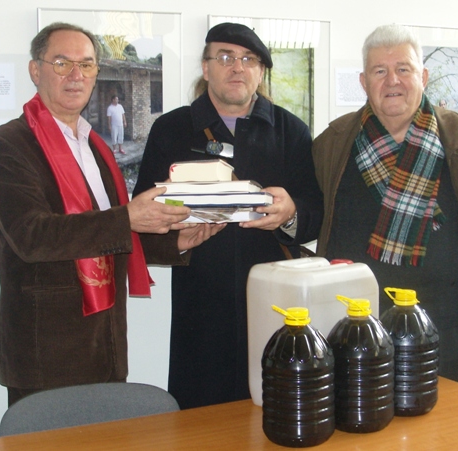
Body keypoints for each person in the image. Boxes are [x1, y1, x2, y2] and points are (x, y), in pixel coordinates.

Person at [0, 22, 194, 407]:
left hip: (106, 343)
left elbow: (110, 235)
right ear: (35, 70)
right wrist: (128, 218)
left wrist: (177, 241)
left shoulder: (97, 147)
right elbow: (32, 236)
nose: (76, 75)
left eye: (87, 65)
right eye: (62, 63)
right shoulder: (6, 146)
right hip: (46, 351)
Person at [134, 22, 323, 409]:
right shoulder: (171, 129)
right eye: (225, 57)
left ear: (260, 72)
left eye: (248, 59)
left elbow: (316, 212)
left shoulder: (291, 132)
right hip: (200, 305)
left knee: (278, 407)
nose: (237, 67)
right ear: (206, 68)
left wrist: (290, 213)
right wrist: (175, 240)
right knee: (200, 416)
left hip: (276, 300)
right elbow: (142, 215)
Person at [312, 24, 458, 394]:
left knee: (447, 424)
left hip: (446, 327)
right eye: (379, 71)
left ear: (423, 77)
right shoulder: (331, 144)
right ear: (364, 82)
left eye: (403, 69)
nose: (392, 81)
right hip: (357, 326)